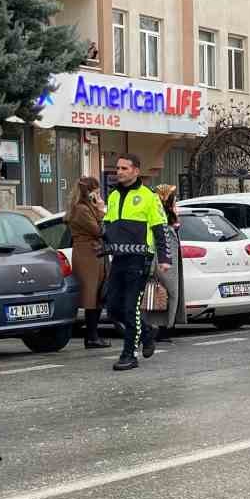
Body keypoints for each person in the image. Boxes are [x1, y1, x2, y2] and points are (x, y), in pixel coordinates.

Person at [101, 154, 171, 371]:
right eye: (118, 168)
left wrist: (164, 258)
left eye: (124, 168)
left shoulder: (149, 197)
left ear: (135, 171)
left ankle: (129, 354)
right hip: (118, 258)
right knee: (113, 308)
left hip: (139, 259)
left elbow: (161, 228)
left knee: (131, 307)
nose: (119, 172)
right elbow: (109, 225)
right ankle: (147, 333)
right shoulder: (112, 196)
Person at [67, 176, 110, 349]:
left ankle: (93, 335)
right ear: (88, 192)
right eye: (96, 192)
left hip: (94, 253)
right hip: (88, 254)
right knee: (91, 295)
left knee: (97, 295)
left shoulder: (86, 207)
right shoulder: (81, 210)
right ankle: (91, 336)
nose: (99, 196)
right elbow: (99, 230)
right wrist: (101, 209)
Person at [150, 184, 184, 347]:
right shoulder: (159, 215)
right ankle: (162, 329)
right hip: (164, 262)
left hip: (170, 261)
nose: (175, 201)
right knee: (166, 293)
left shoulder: (170, 215)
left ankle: (166, 327)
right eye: (173, 197)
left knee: (171, 294)